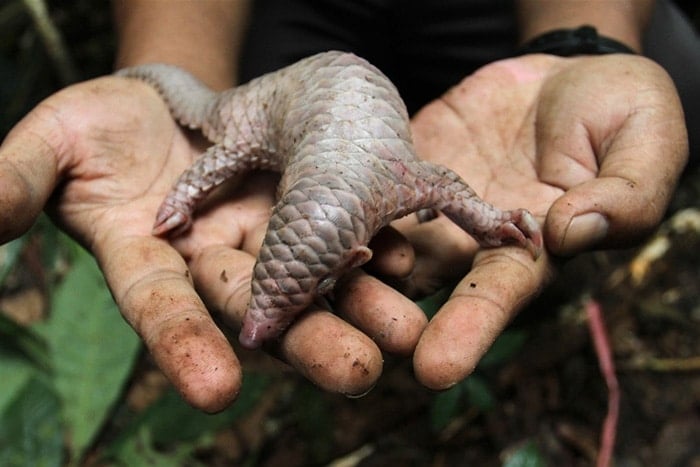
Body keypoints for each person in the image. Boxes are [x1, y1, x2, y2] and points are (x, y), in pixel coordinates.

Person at [0, 0, 693, 412]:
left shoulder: (396, 179)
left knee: (682, 61)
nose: (260, 322)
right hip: (287, 72)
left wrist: (584, 41)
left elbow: (449, 189)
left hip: (476, 25)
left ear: (358, 255)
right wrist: (177, 133)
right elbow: (448, 188)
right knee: (234, 136)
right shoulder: (397, 179)